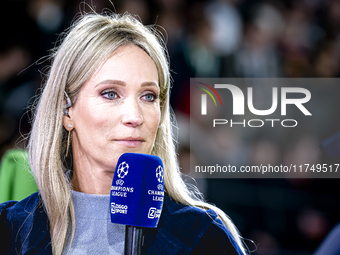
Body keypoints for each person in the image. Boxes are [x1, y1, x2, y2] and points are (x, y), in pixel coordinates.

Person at [0, 11, 246, 255]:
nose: (135, 117)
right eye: (110, 93)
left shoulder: (204, 236)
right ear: (67, 111)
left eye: (148, 96)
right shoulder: (9, 229)